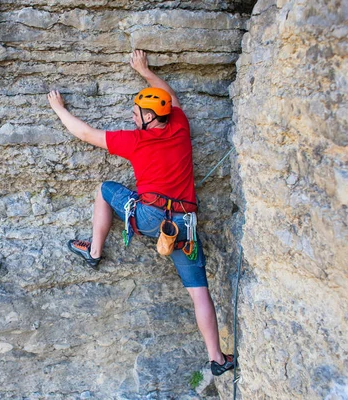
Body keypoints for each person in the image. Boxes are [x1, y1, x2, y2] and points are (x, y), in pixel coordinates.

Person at [47, 50, 235, 376]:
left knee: (105, 189)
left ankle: (93, 250)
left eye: (137, 113)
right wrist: (146, 72)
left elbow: (85, 133)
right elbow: (172, 99)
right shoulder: (178, 125)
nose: (133, 117)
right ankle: (217, 359)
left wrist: (59, 109)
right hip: (185, 227)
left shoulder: (135, 141)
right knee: (200, 293)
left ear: (148, 118)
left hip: (149, 219)